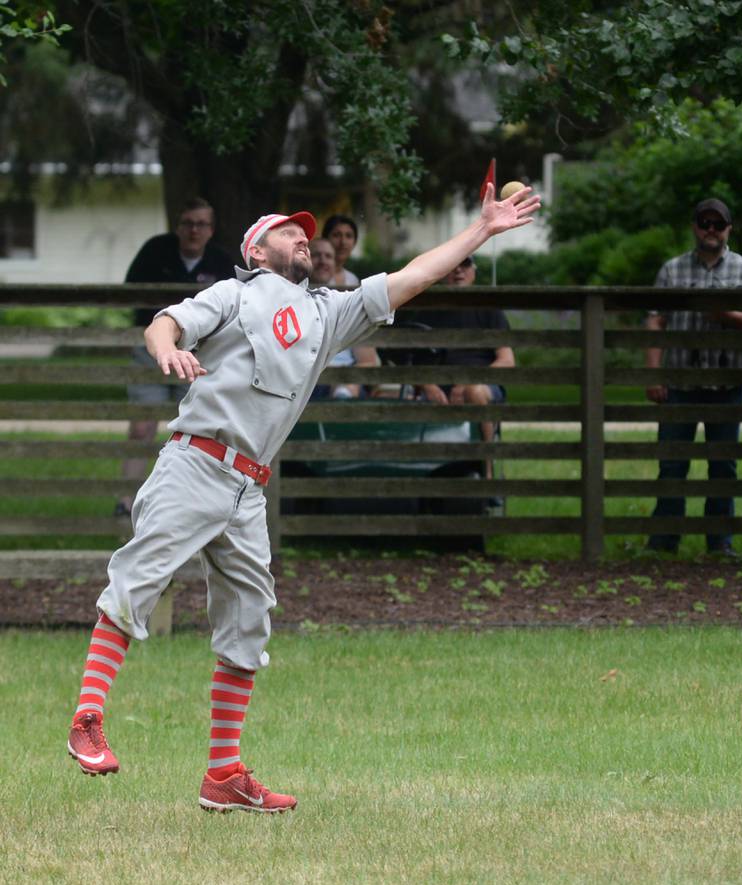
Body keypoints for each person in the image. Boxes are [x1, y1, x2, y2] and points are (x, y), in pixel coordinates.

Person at [66, 185, 542, 814]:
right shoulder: (236, 293)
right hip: (196, 462)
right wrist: (167, 350)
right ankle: (88, 716)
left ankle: (223, 775)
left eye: (305, 232)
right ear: (256, 250)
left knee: (248, 624)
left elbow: (408, 278)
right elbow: (166, 322)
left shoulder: (329, 312)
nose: (303, 238)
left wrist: (482, 230)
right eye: (288, 232)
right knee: (138, 583)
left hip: (247, 489)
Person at [644, 198, 742, 557]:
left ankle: (720, 544)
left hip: (726, 383)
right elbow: (655, 320)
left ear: (729, 228)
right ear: (694, 226)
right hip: (679, 382)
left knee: (723, 466)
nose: (711, 230)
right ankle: (663, 542)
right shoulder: (671, 270)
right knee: (671, 463)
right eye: (705, 222)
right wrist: (653, 373)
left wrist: (726, 314)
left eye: (719, 224)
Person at [117, 197, 235, 515]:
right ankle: (126, 500)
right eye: (187, 223)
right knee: (142, 426)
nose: (193, 230)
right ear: (178, 226)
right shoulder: (155, 251)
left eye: (201, 224)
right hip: (150, 351)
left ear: (211, 229)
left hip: (199, 356)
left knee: (196, 429)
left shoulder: (222, 262)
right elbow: (130, 295)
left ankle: (186, 505)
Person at [411, 255, 514, 444]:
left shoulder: (489, 308)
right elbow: (416, 362)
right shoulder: (426, 311)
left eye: (465, 264)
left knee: (475, 392)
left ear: (473, 271)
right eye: (451, 264)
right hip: (438, 387)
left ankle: (486, 467)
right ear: (442, 273)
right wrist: (428, 386)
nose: (458, 270)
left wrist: (469, 382)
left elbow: (507, 360)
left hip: (482, 384)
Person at [309, 235, 378, 399]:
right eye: (316, 255)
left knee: (344, 393)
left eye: (328, 256)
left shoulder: (347, 302)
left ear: (335, 265)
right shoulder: (289, 299)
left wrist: (350, 383)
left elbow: (367, 361)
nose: (323, 261)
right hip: (302, 380)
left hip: (340, 381)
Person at [322, 214, 360, 288]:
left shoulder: (353, 280)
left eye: (348, 236)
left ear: (355, 242)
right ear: (325, 239)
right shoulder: (314, 276)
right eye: (336, 235)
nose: (343, 242)